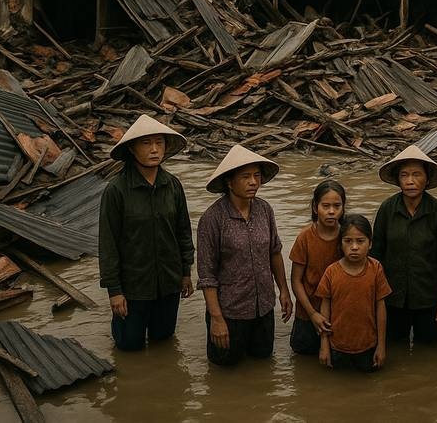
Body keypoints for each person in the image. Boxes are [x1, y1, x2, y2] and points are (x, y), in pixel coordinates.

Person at [99, 114, 194, 352]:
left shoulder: (172, 185)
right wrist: (115, 291)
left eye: (159, 143)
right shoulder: (116, 190)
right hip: (133, 286)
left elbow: (183, 231)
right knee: (129, 346)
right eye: (146, 143)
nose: (154, 149)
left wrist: (186, 272)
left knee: (164, 341)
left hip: (169, 282)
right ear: (132, 148)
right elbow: (108, 244)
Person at [197, 145, 293, 366]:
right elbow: (206, 274)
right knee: (225, 372)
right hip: (230, 313)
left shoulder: (264, 210)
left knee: (263, 365)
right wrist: (217, 318)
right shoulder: (212, 219)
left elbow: (274, 252)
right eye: (246, 176)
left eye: (257, 176)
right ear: (229, 182)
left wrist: (284, 291)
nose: (253, 182)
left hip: (264, 308)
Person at [370, 145, 437, 346]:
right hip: (393, 298)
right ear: (398, 180)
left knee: (430, 353)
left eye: (416, 175)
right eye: (404, 175)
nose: (410, 181)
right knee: (394, 350)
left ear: (426, 179)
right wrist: (376, 299)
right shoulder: (387, 209)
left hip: (429, 298)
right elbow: (375, 257)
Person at [316, 214, 391, 372]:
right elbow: (325, 311)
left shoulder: (376, 269)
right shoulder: (331, 272)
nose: (354, 247)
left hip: (368, 346)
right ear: (341, 244)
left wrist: (382, 346)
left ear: (370, 244)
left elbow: (380, 308)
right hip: (337, 347)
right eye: (348, 241)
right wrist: (324, 345)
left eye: (360, 241)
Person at [289, 180, 346, 355]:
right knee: (303, 358)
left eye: (337, 206)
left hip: (338, 313)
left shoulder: (348, 237)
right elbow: (296, 280)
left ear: (343, 208)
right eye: (325, 206)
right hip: (307, 312)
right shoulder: (305, 237)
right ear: (315, 207)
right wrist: (313, 314)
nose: (331, 211)